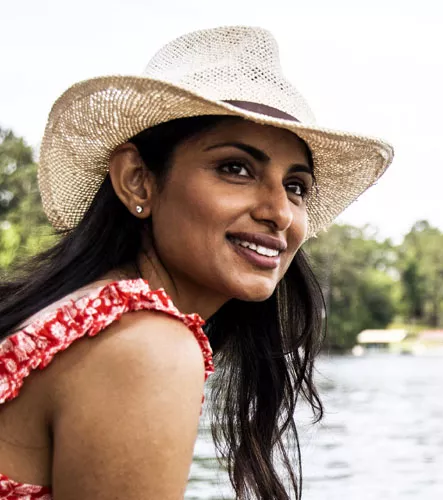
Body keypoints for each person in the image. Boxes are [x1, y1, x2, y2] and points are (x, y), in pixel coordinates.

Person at [0, 26, 393, 499]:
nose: (279, 212)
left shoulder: (80, 321)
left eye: (296, 186)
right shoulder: (143, 346)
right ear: (138, 180)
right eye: (236, 168)